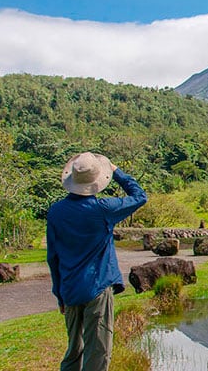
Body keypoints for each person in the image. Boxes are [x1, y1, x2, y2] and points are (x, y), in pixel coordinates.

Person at [46, 152, 147, 370]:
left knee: (74, 350)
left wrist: (59, 294)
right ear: (97, 181)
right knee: (98, 352)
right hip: (97, 287)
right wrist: (117, 172)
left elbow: (52, 257)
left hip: (70, 289)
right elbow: (140, 196)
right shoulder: (103, 210)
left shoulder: (55, 212)